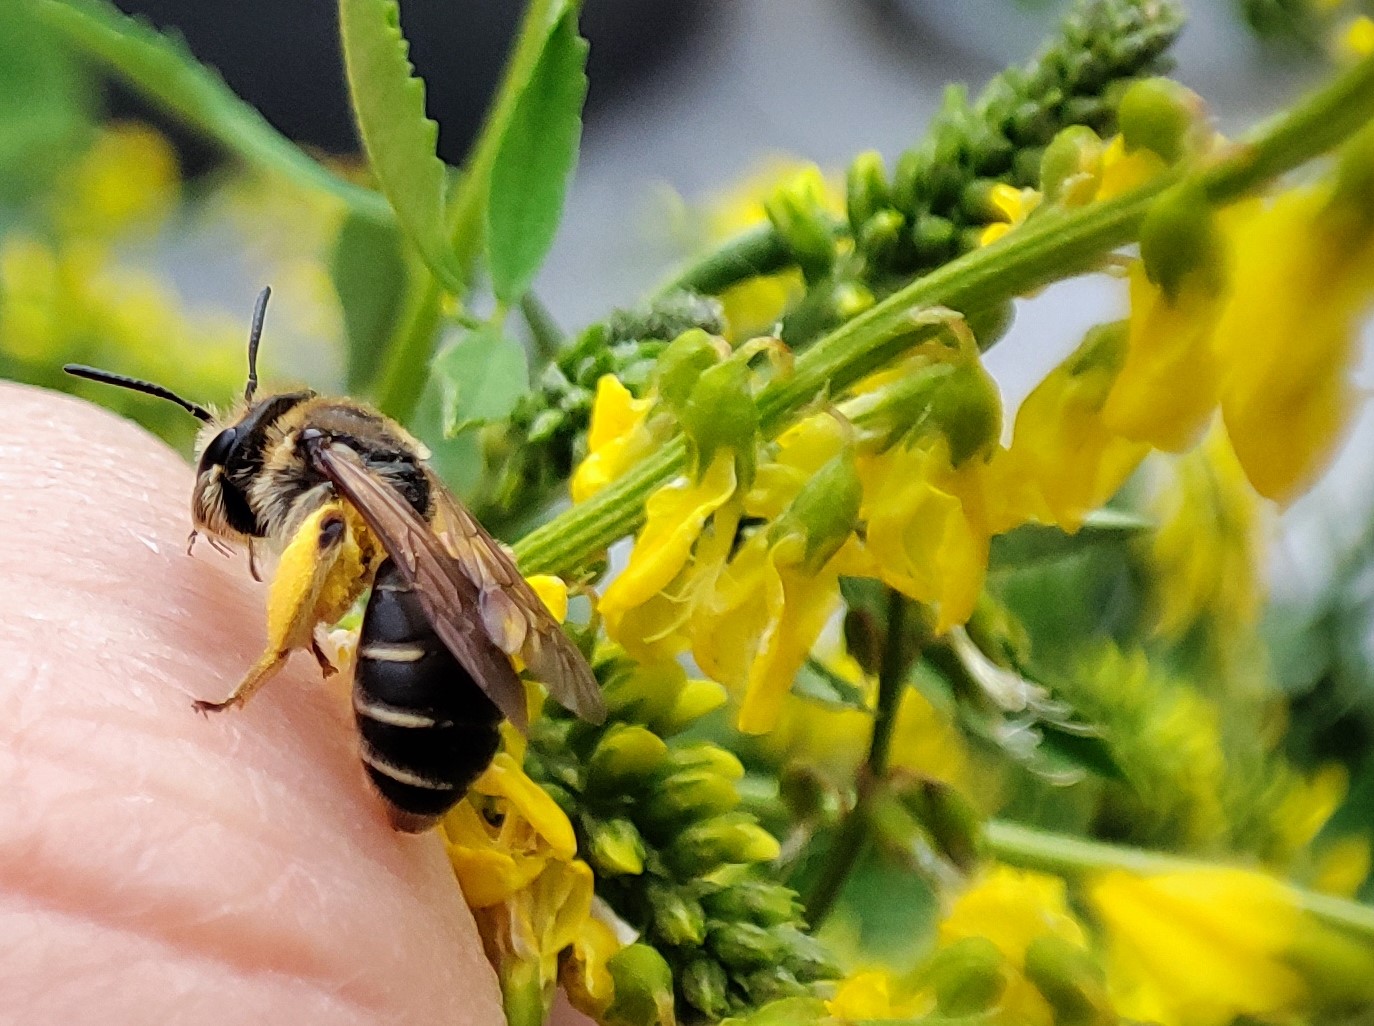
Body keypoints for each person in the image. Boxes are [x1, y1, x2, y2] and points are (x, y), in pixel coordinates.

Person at [0, 381, 505, 1025]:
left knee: (329, 530)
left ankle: (271, 662)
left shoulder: (323, 461)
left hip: (423, 706)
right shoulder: (394, 483)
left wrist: (276, 654)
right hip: (455, 698)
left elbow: (329, 535)